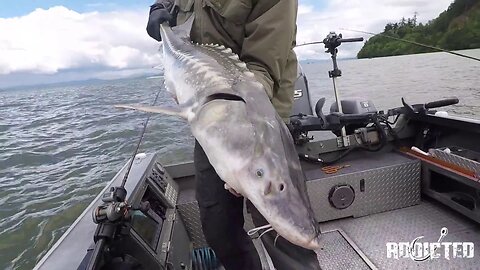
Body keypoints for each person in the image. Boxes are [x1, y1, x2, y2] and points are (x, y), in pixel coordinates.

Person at [146, 1, 320, 269]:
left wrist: (235, 123)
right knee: (218, 225)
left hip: (259, 108)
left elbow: (263, 66)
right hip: (211, 120)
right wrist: (159, 7)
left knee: (283, 228)